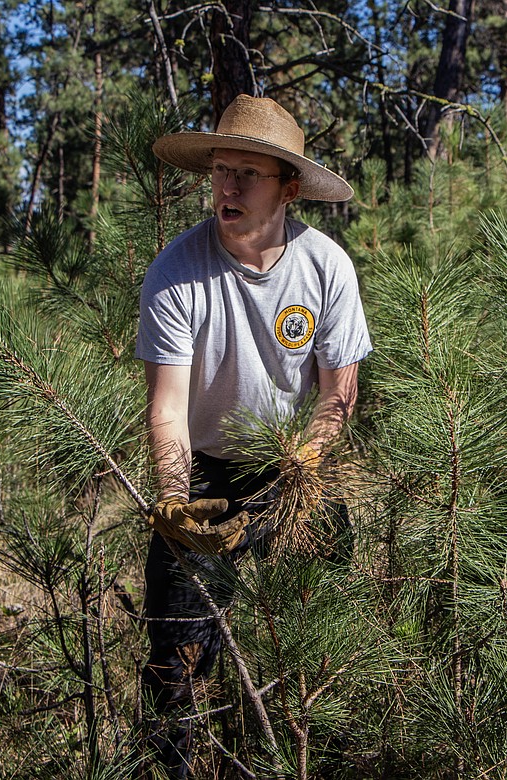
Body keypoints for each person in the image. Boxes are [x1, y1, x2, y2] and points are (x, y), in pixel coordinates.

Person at [135, 94, 371, 776]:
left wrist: (303, 463)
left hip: (297, 470)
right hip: (202, 476)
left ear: (289, 187)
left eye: (248, 175)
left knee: (315, 646)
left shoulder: (327, 267)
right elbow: (168, 409)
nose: (228, 188)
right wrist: (176, 505)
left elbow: (338, 398)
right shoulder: (177, 273)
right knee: (175, 661)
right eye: (220, 171)